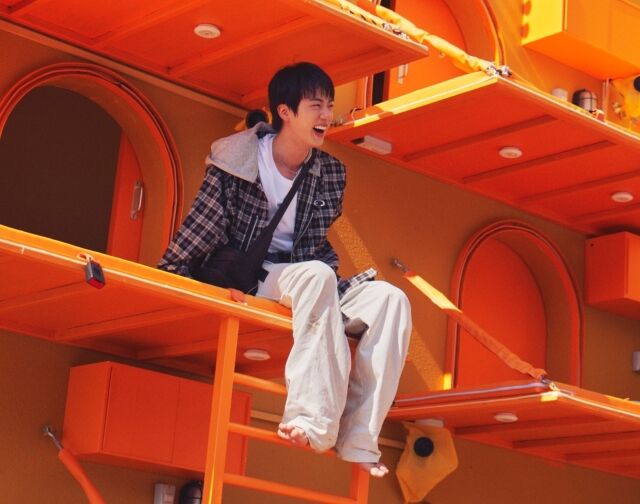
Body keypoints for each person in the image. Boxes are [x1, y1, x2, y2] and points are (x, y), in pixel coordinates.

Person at [159, 62, 412, 477]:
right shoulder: (237, 160)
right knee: (316, 276)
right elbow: (202, 227)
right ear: (285, 111)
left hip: (307, 277)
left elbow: (315, 245)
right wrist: (174, 277)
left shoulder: (330, 173)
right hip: (254, 277)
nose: (327, 115)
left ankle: (359, 440)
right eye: (316, 105)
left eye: (329, 105)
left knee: (391, 300)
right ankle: (310, 419)